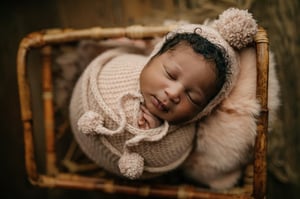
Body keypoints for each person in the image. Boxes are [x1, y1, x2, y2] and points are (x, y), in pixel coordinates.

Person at [69, 8, 280, 189]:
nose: (173, 93)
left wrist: (156, 128)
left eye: (192, 96)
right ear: (152, 57)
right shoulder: (121, 68)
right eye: (170, 74)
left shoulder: (182, 138)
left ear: (203, 112)